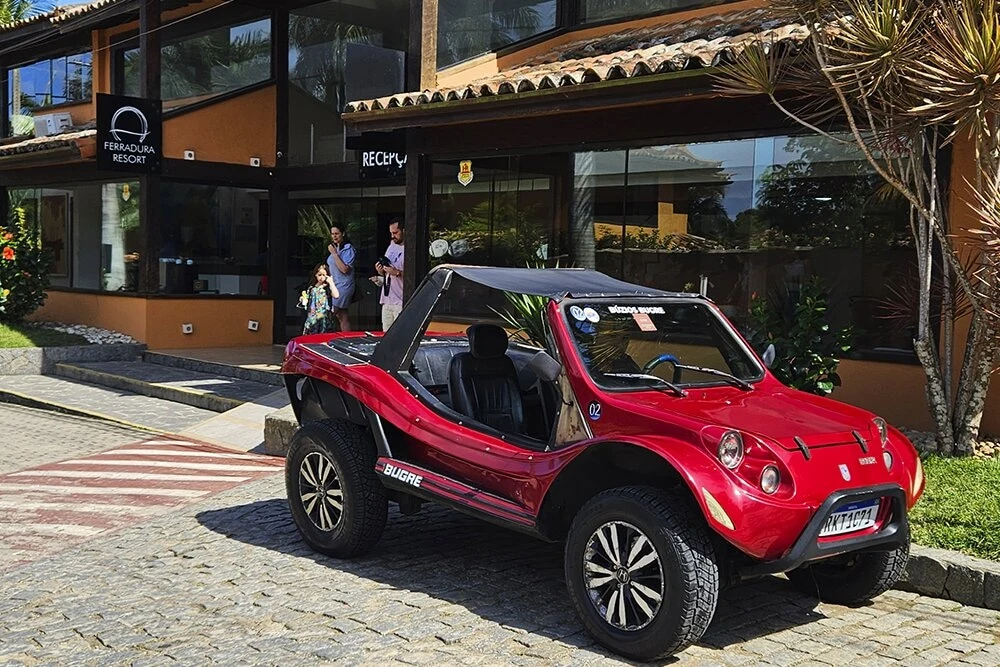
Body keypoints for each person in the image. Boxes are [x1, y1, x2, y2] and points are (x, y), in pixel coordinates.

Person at [371, 217, 404, 331]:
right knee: (385, 335)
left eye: (395, 233)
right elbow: (386, 270)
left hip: (401, 300)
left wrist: (397, 272)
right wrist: (381, 270)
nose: (393, 236)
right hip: (387, 299)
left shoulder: (410, 249)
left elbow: (415, 274)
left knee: (399, 334)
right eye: (391, 233)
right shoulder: (392, 245)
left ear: (404, 231)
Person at [326, 223, 356, 331]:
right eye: (332, 234)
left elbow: (344, 269)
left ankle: (325, 334)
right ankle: (347, 338)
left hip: (344, 285)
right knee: (342, 315)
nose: (334, 236)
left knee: (333, 312)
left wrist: (334, 254)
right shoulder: (336, 247)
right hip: (334, 284)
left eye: (337, 234)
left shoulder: (348, 249)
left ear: (343, 234)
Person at [301, 263, 340, 335]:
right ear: (315, 275)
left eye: (324, 275)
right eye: (319, 275)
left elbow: (336, 295)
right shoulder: (311, 288)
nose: (321, 277)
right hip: (313, 318)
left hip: (324, 317)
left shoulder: (327, 288)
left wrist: (331, 282)